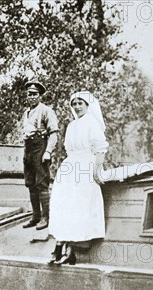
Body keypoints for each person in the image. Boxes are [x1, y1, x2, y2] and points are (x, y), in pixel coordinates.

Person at [48, 91, 109, 265]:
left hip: (85, 166)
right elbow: (68, 149)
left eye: (80, 103)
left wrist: (97, 170)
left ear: (87, 105)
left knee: (78, 206)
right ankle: (59, 246)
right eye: (74, 104)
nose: (76, 107)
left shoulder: (93, 124)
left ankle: (72, 250)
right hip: (71, 166)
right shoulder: (72, 126)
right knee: (63, 204)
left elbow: (100, 149)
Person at [20, 79, 59, 230]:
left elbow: (54, 133)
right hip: (28, 147)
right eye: (29, 94)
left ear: (40, 96)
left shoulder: (46, 111)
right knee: (30, 183)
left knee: (41, 183)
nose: (31, 97)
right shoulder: (27, 113)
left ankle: (45, 217)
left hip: (40, 146)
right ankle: (35, 216)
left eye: (34, 94)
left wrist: (48, 151)